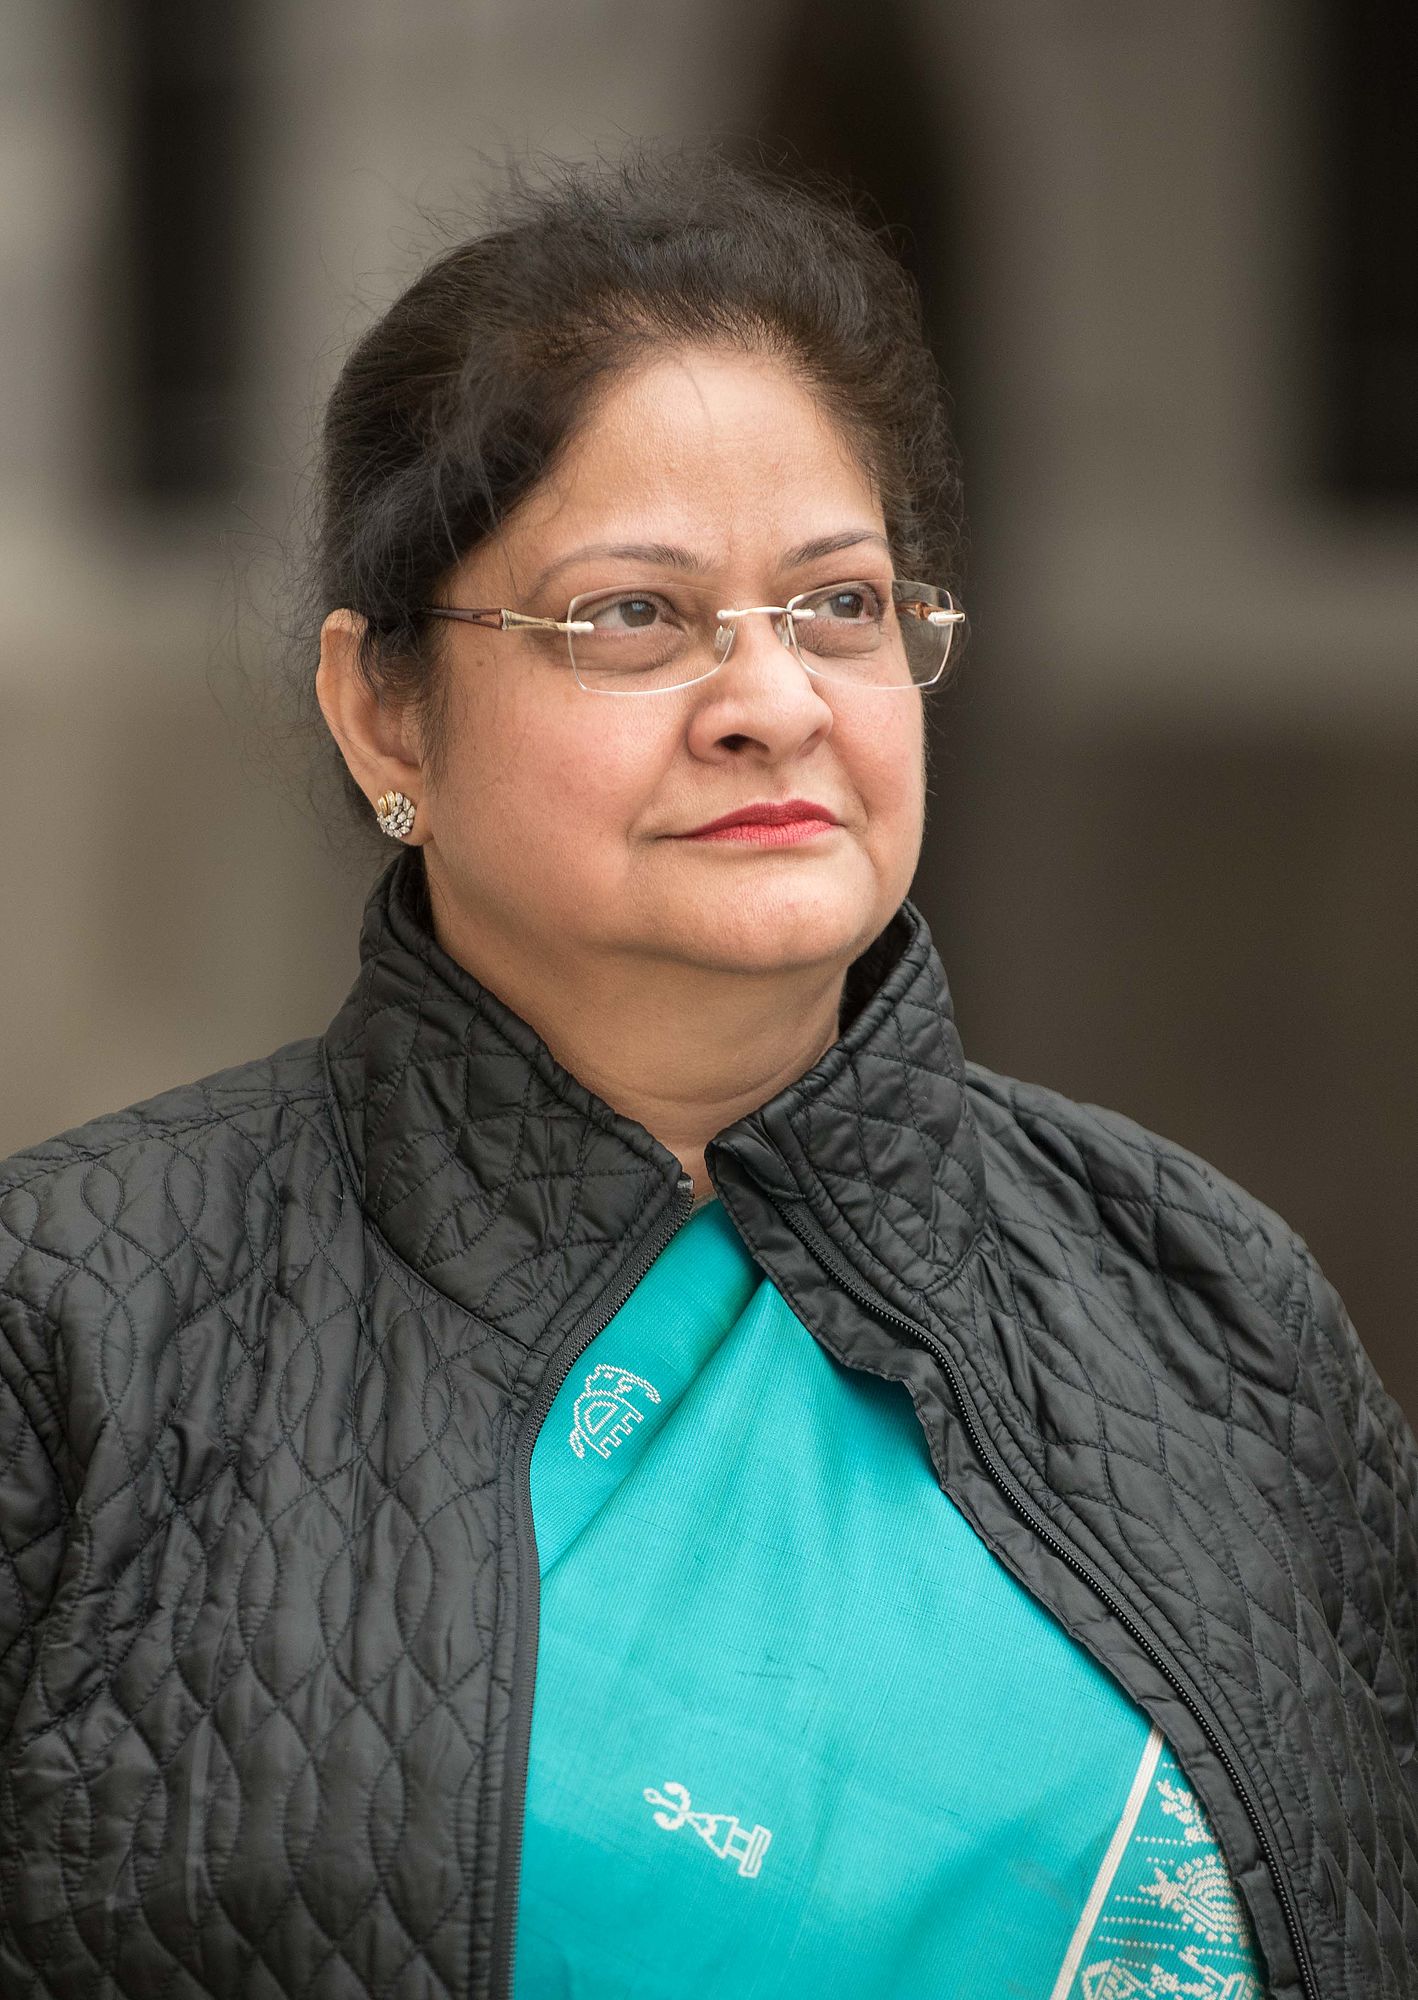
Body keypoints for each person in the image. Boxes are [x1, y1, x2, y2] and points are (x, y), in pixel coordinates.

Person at [0, 140, 1413, 2000]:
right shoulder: (79, 1329)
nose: (772, 701)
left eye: (838, 605)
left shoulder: (1206, 1305)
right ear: (383, 710)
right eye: (632, 617)